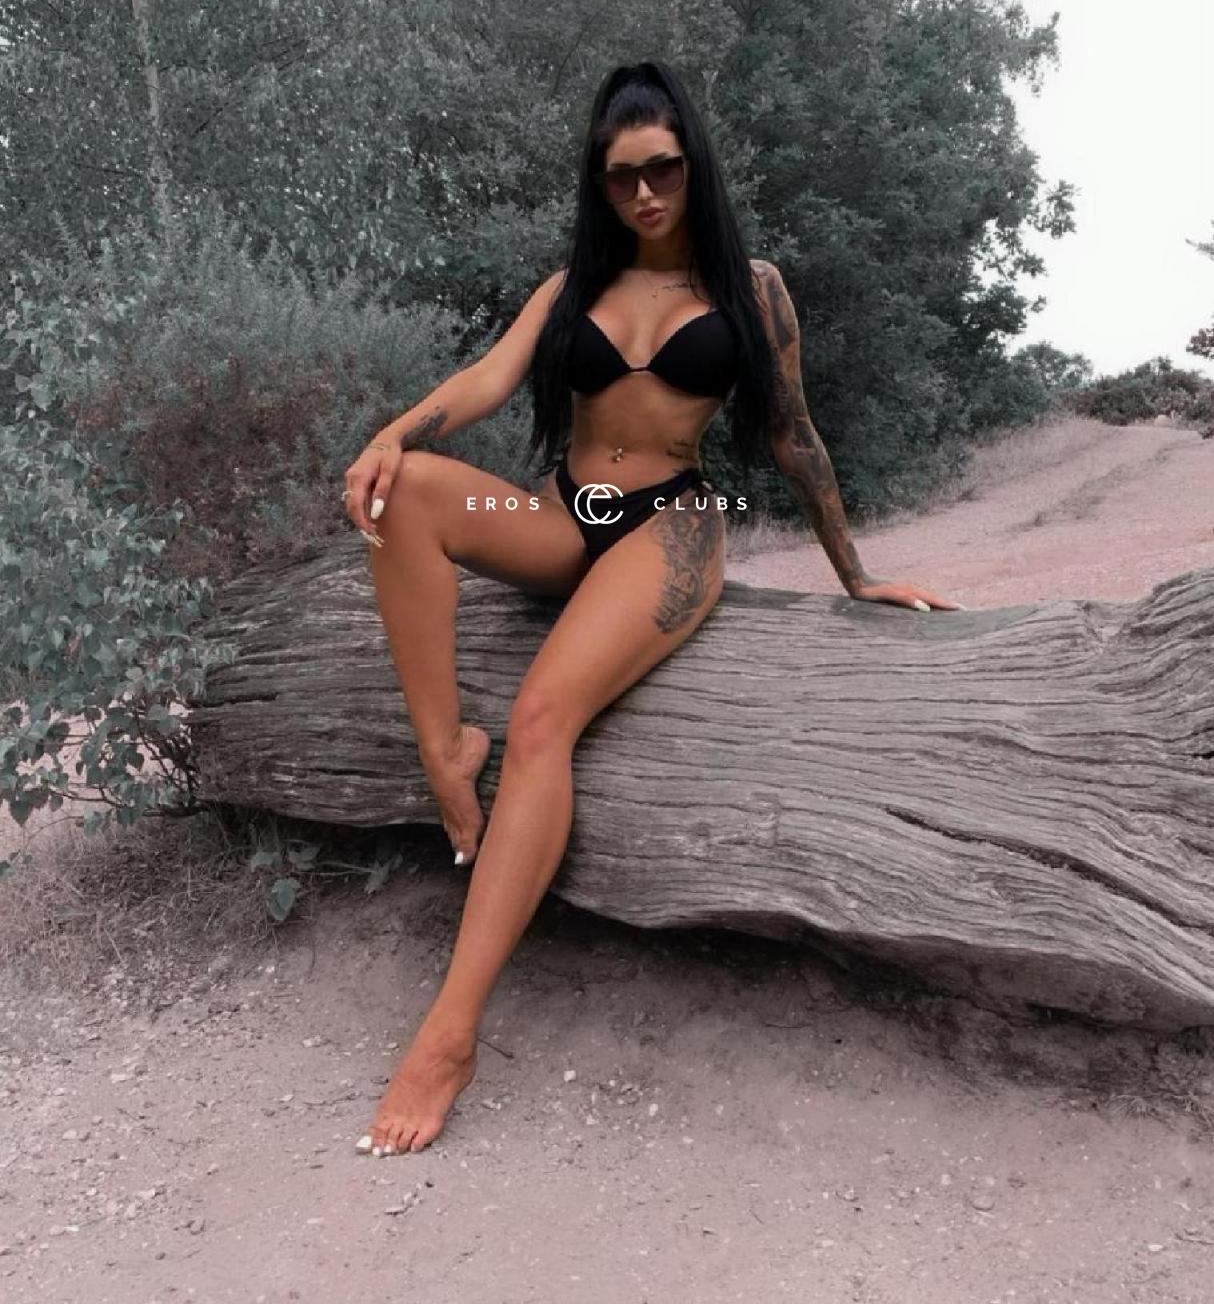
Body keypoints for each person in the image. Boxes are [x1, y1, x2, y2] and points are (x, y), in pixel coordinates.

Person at [341, 59, 961, 1156]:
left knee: (543, 720)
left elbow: (793, 434)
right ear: (600, 181)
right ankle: (445, 752)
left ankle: (449, 1033)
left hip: (671, 523)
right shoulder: (572, 286)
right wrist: (390, 435)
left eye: (662, 169)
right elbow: (486, 381)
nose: (643, 193)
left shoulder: (750, 288)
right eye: (620, 175)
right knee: (406, 493)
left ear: (692, 164)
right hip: (562, 511)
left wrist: (855, 574)